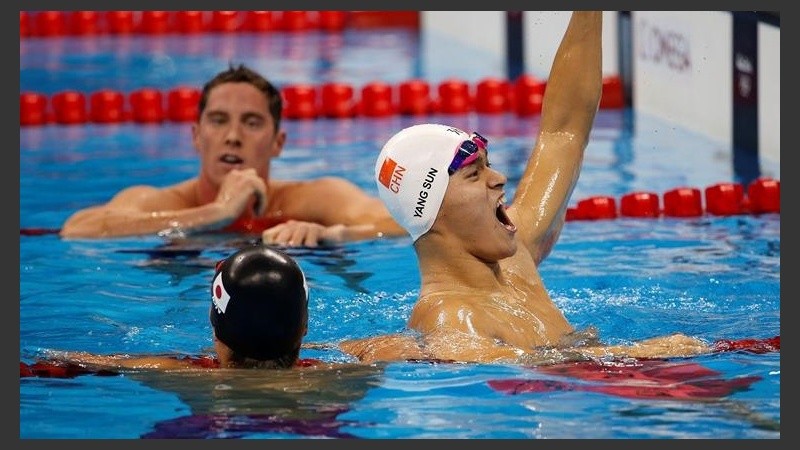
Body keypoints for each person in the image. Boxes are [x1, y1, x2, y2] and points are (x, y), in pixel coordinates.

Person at [339, 11, 725, 364]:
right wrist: (641, 353)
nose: (500, 178)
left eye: (487, 166)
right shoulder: (451, 315)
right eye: (475, 175)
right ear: (432, 211)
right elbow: (516, 373)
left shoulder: (514, 256)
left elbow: (564, 132)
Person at [59, 64, 406, 247]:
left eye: (252, 123)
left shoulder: (314, 198)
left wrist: (335, 235)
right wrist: (213, 214)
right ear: (197, 136)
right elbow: (77, 229)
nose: (233, 137)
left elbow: (401, 223)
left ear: (278, 143)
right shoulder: (163, 201)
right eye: (218, 121)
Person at [22, 245, 313, 371]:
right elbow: (362, 347)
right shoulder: (334, 374)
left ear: (215, 327)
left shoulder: (175, 372)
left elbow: (71, 360)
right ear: (304, 325)